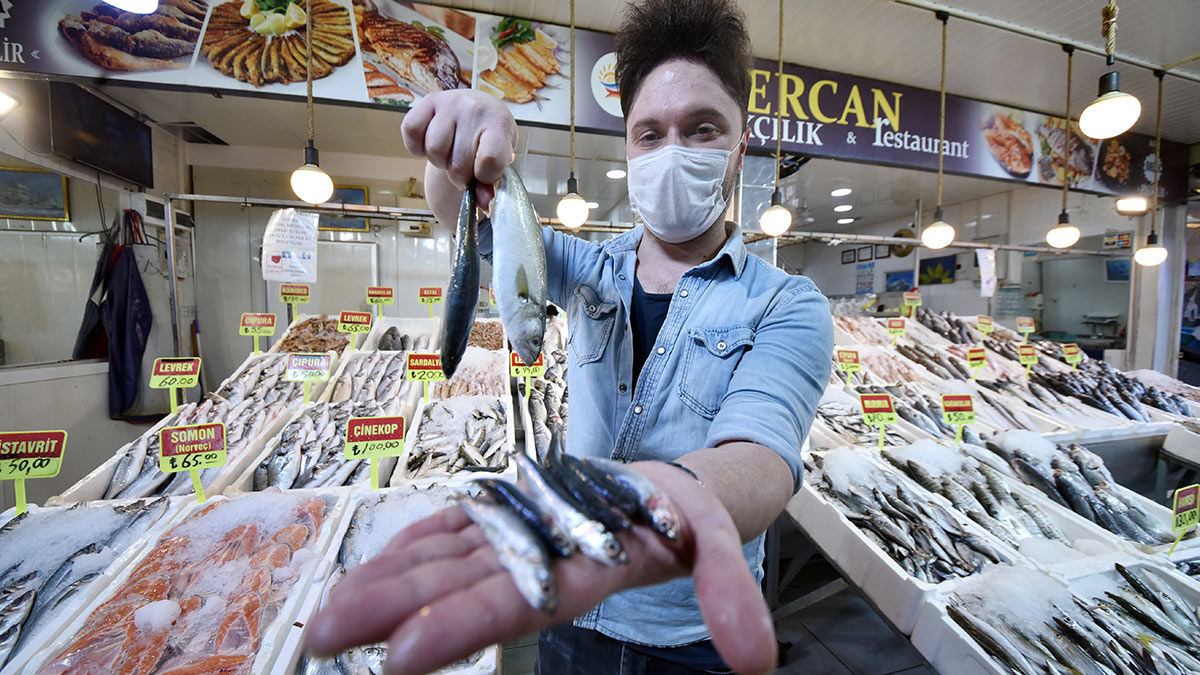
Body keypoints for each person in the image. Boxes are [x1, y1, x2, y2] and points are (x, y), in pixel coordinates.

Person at [306, 0, 833, 672]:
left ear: (741, 142)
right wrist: (459, 143)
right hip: (572, 618)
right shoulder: (590, 268)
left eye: (701, 130)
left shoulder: (789, 303)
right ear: (628, 146)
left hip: (692, 638)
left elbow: (760, 457)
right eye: (650, 133)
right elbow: (465, 218)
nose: (672, 153)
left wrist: (662, 501)